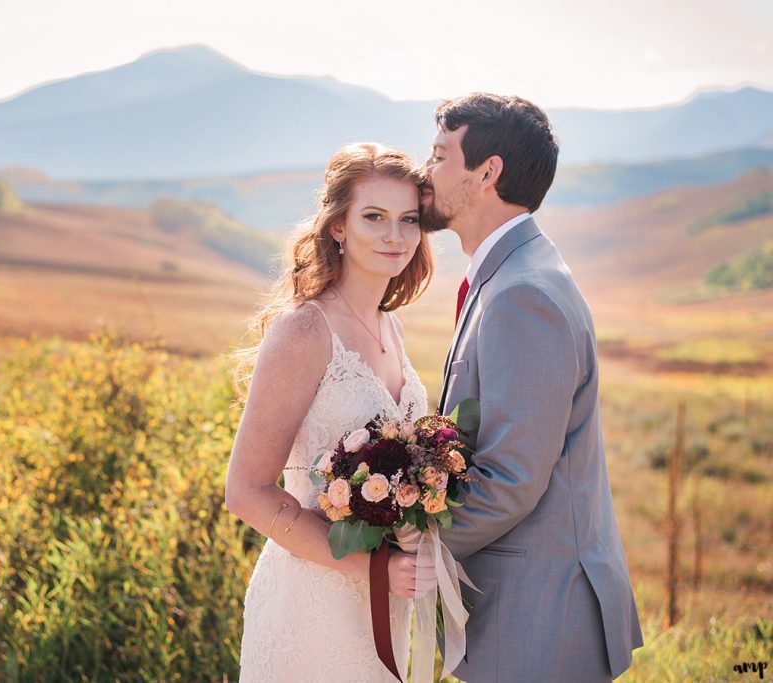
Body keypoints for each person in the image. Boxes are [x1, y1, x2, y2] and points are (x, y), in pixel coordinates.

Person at [420, 92, 644, 682]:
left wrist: (415, 551)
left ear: (487, 172)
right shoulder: (515, 272)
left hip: (538, 619)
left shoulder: (524, 295)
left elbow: (511, 481)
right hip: (532, 610)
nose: (427, 171)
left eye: (440, 155)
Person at [225, 142, 435, 682]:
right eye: (374, 217)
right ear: (338, 226)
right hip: (311, 604)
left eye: (409, 219)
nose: (395, 235)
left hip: (385, 606)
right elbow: (247, 491)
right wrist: (374, 569)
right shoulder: (306, 330)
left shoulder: (393, 328)